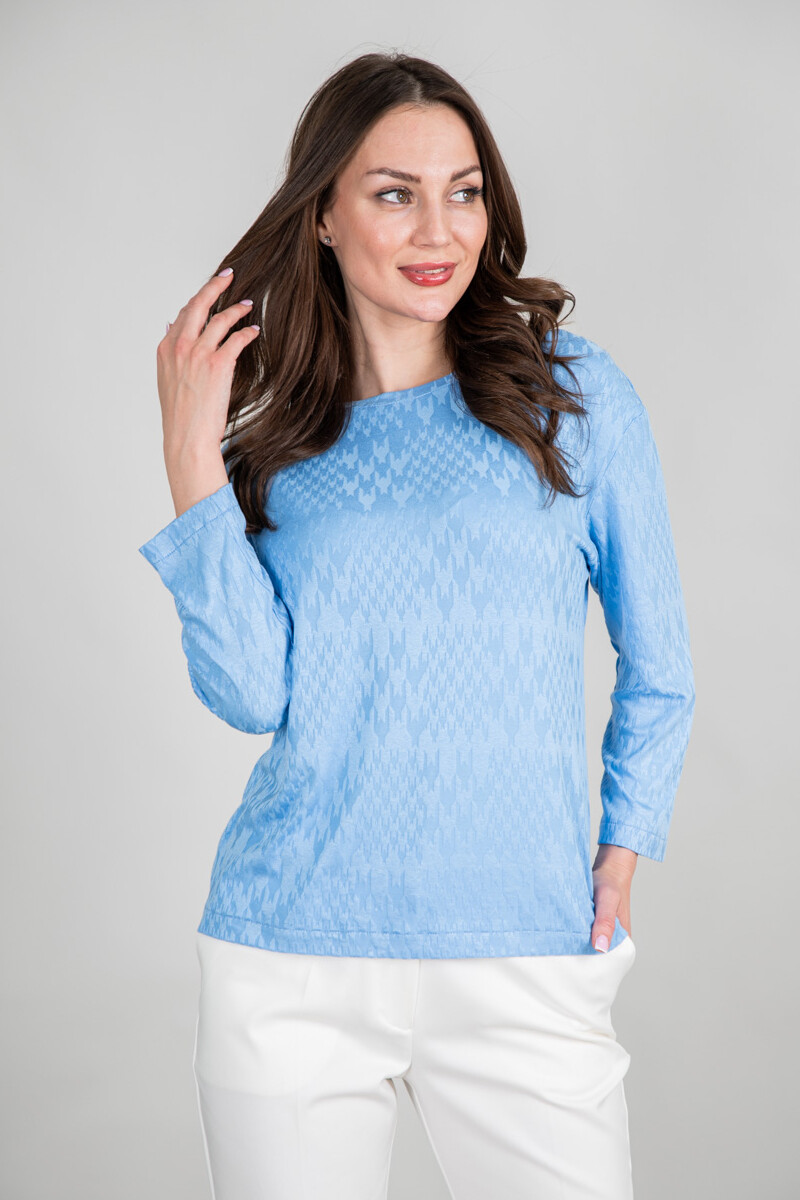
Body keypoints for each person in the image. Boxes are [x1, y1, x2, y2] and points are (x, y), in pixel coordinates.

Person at [138, 51, 695, 1200]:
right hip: (291, 956)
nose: (438, 228)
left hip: (520, 946)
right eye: (393, 193)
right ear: (323, 216)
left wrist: (624, 839)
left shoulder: (570, 398)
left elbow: (659, 661)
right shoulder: (276, 446)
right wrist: (191, 456)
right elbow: (250, 694)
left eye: (464, 190)